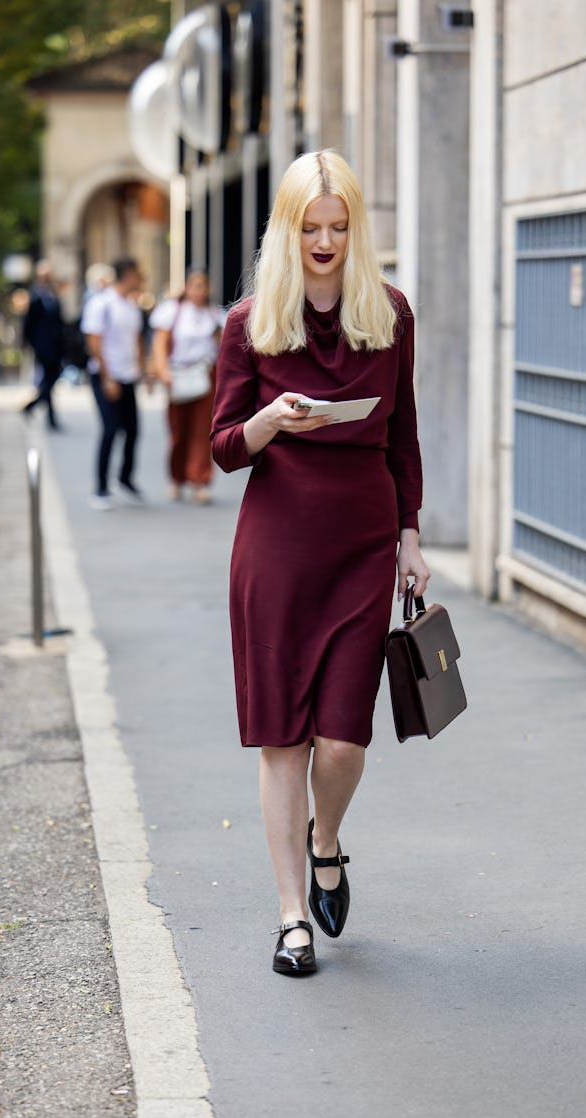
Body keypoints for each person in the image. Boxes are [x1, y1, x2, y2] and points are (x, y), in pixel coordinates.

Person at [211, 150, 430, 976]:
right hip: (276, 548)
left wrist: (411, 534)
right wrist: (270, 419)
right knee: (283, 742)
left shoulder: (391, 314)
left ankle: (326, 840)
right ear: (288, 230)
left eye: (340, 227)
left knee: (342, 741)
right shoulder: (250, 324)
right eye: (312, 228)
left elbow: (403, 432)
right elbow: (225, 447)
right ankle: (291, 916)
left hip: (364, 547)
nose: (327, 241)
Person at [149, 269, 226, 503]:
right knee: (178, 430)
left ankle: (199, 479)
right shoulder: (172, 311)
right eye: (194, 285)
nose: (198, 290)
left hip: (204, 375)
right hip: (178, 374)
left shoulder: (214, 315)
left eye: (203, 285)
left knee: (203, 431)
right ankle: (177, 477)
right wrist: (162, 370)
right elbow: (160, 342)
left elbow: (224, 346)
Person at [81, 258, 146, 510]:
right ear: (128, 274)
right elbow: (94, 341)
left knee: (132, 430)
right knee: (110, 430)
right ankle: (100, 488)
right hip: (107, 377)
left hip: (128, 376)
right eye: (138, 274)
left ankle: (125, 479)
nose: (141, 279)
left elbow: (137, 338)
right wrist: (107, 377)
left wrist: (143, 368)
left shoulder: (131, 304)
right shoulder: (101, 303)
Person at [21, 260, 65, 429]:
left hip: (56, 346)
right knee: (49, 380)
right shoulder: (35, 297)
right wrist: (31, 344)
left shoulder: (53, 296)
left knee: (50, 381)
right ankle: (43, 413)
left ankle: (39, 410)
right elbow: (28, 324)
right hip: (43, 347)